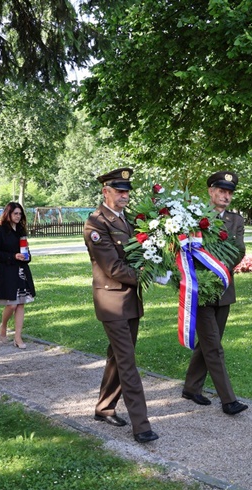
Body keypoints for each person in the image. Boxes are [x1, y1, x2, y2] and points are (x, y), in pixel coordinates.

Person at [83, 167, 158, 444]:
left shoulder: (128, 221)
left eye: (127, 191)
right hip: (112, 301)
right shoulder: (95, 223)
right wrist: (147, 275)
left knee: (117, 358)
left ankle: (104, 408)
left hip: (131, 300)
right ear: (106, 192)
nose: (125, 195)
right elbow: (112, 266)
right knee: (127, 362)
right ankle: (142, 425)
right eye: (119, 191)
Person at [181, 171, 249, 415]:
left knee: (210, 341)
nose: (226, 196)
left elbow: (239, 251)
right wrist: (204, 272)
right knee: (213, 346)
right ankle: (228, 400)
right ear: (210, 191)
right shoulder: (193, 217)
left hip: (224, 287)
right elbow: (184, 250)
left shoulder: (236, 220)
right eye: (221, 191)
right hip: (199, 288)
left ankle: (191, 387)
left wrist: (218, 269)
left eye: (229, 192)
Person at [0, 202, 36, 348]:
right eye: (15, 213)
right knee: (11, 304)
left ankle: (18, 337)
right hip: (7, 271)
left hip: (21, 271)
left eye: (20, 213)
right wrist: (13, 256)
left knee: (21, 303)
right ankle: (3, 325)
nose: (18, 216)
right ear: (8, 214)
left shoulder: (21, 230)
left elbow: (26, 250)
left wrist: (27, 256)